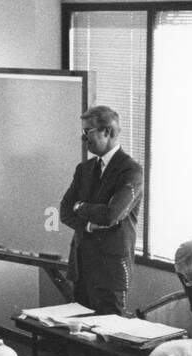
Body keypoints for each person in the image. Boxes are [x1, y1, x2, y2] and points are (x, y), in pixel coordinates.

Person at [58, 105, 144, 315]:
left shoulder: (131, 170)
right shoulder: (84, 169)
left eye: (87, 132)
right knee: (79, 337)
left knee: (108, 338)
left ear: (107, 131)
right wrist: (87, 224)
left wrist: (81, 206)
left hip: (110, 272)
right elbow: (64, 211)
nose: (83, 138)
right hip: (81, 268)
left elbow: (111, 215)